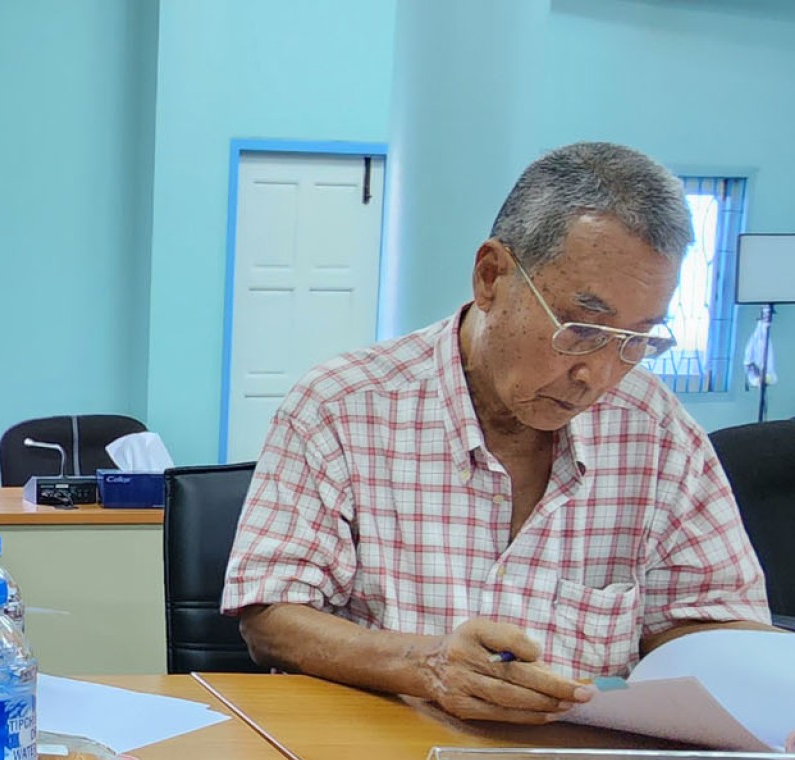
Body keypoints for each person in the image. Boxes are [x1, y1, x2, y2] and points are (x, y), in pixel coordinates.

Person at [223, 142, 775, 725]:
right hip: (379, 753)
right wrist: (426, 665)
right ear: (490, 277)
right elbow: (271, 618)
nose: (598, 375)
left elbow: (713, 627)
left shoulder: (657, 432)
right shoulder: (344, 407)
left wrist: (752, 679)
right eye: (582, 329)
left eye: (636, 340)